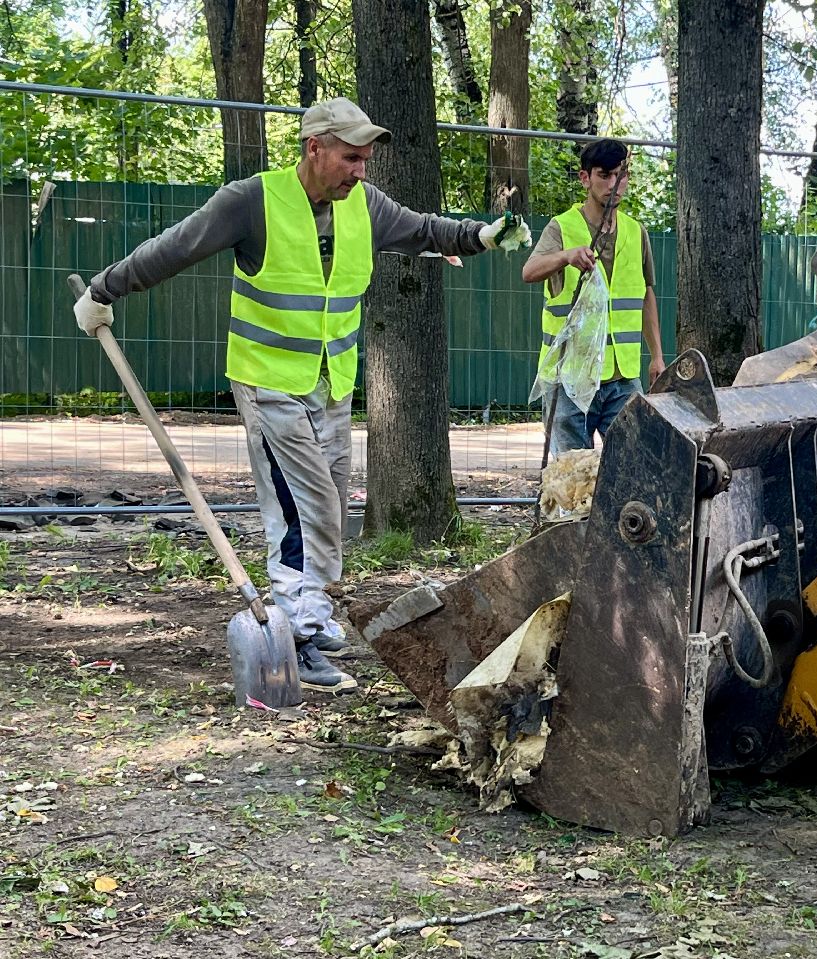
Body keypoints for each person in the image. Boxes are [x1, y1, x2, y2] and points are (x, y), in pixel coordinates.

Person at [73, 97, 529, 694]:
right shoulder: (252, 202)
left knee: (330, 508)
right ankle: (300, 636)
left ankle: (309, 608)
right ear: (314, 148)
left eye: (365, 160)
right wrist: (104, 290)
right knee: (300, 510)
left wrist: (480, 235)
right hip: (269, 384)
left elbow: (422, 230)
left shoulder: (363, 204)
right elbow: (174, 248)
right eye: (349, 158)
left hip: (330, 381)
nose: (359, 171)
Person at [521, 138, 664, 454]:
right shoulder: (562, 227)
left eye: (620, 175)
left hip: (623, 377)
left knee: (634, 466)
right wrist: (565, 256)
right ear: (585, 178)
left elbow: (645, 295)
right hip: (569, 377)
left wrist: (656, 355)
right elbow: (529, 272)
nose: (613, 184)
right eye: (604, 175)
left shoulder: (635, 231)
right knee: (572, 479)